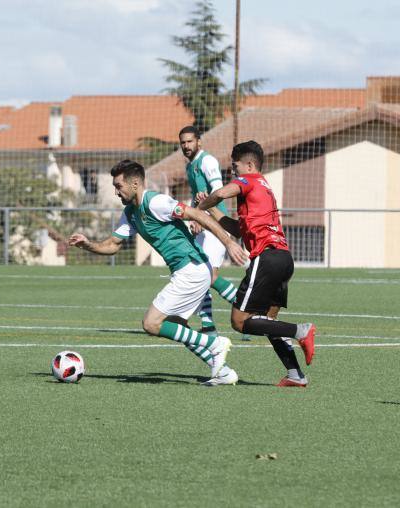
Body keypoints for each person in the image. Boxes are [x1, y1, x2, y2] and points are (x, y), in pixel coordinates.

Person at [69, 160, 249, 386]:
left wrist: (229, 243)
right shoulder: (131, 212)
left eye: (118, 186)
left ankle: (216, 345)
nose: (116, 192)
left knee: (151, 323)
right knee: (176, 326)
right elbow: (113, 244)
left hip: (191, 268)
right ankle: (223, 372)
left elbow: (198, 214)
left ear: (135, 183)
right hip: (187, 271)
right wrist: (87, 245)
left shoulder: (156, 202)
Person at [198, 140, 316, 387]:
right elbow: (236, 229)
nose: (233, 172)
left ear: (249, 164)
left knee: (240, 321)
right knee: (271, 324)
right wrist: (210, 213)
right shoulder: (262, 189)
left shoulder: (249, 180)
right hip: (283, 258)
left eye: (235, 166)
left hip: (267, 258)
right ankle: (296, 374)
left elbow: (220, 193)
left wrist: (198, 208)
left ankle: (301, 331)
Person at [179, 125, 249, 340]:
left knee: (210, 277)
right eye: (183, 142)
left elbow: (218, 193)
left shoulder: (207, 161)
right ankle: (208, 325)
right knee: (199, 274)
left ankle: (248, 315)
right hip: (203, 223)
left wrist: (201, 212)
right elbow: (198, 196)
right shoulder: (190, 166)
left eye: (190, 141)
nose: (186, 145)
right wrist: (194, 217)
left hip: (216, 226)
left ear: (199, 142)